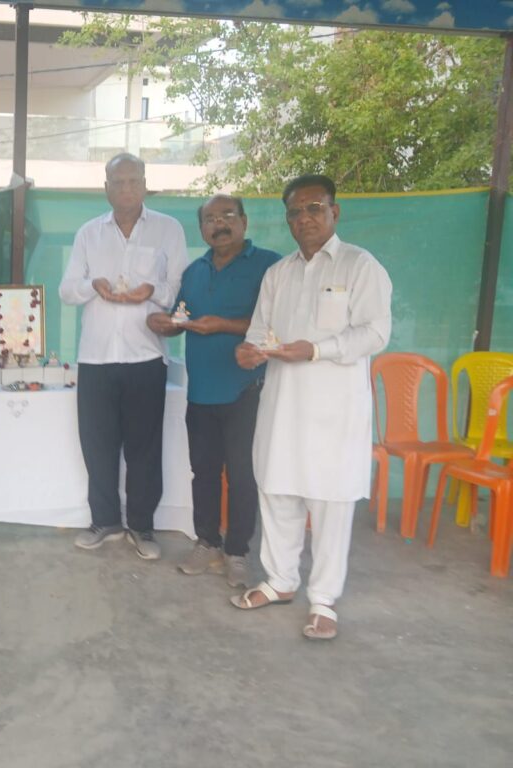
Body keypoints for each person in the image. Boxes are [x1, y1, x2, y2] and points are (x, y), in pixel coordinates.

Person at [232, 174, 392, 640]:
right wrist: (249, 351)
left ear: (334, 212)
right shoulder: (278, 273)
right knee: (278, 491)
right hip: (282, 404)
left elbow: (375, 332)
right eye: (295, 212)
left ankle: (323, 601)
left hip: (334, 412)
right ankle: (280, 580)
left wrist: (318, 349)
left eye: (314, 208)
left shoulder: (359, 266)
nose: (304, 218)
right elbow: (259, 332)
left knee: (329, 503)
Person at [147, 195, 281, 587]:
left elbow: (276, 324)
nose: (218, 224)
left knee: (242, 475)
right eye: (209, 219)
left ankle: (237, 552)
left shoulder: (269, 266)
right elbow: (182, 316)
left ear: (244, 221)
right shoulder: (194, 271)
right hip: (201, 390)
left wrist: (222, 324)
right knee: (203, 472)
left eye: (227, 216)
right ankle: (206, 541)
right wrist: (166, 324)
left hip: (246, 389)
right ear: (202, 228)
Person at [60, 152, 188, 560]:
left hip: (146, 357)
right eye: (118, 182)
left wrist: (152, 292)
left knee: (144, 449)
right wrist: (93, 285)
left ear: (145, 185)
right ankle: (105, 522)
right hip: (96, 358)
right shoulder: (89, 233)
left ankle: (142, 527)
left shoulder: (168, 229)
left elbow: (179, 287)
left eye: (134, 181)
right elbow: (67, 289)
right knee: (97, 445)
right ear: (106, 188)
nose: (126, 189)